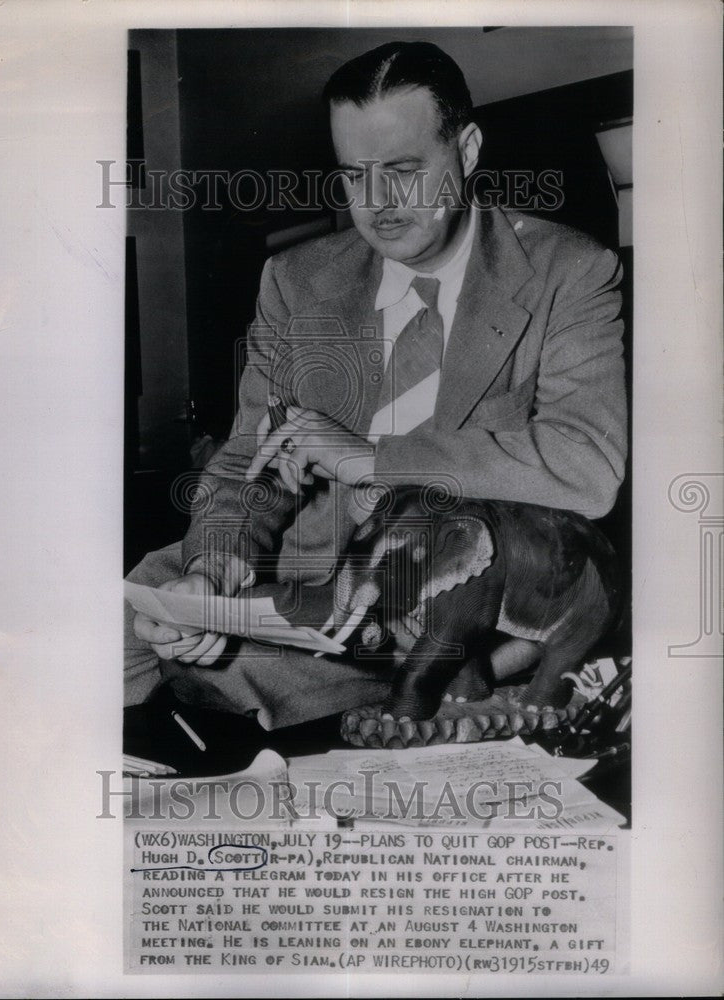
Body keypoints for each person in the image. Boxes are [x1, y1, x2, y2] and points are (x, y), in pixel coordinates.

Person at [125, 41, 626, 732]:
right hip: (284, 591)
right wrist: (216, 568)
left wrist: (375, 456)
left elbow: (585, 464)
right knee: (93, 632)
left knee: (201, 694)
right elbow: (249, 464)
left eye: (403, 169)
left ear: (468, 149)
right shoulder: (296, 280)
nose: (379, 203)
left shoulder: (568, 272)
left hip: (440, 610)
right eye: (355, 175)